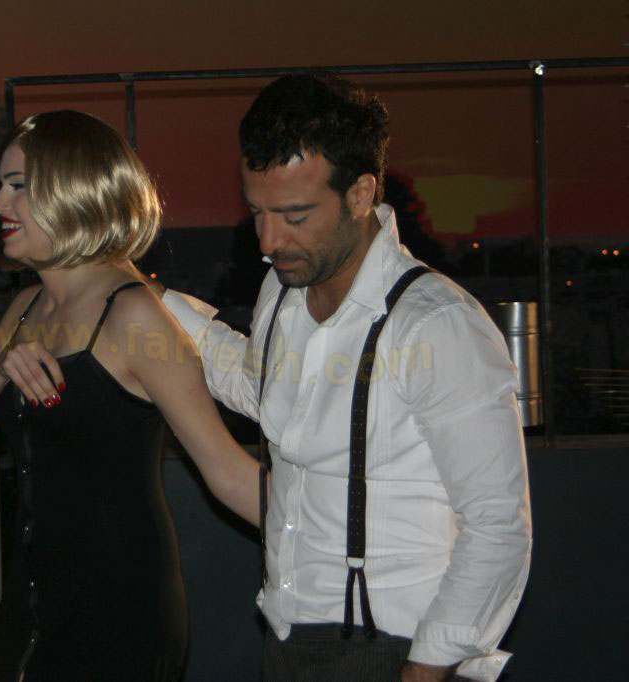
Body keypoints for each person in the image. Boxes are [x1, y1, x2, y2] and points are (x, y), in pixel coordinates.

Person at [160, 74, 532, 681]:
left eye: (295, 215)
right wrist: (151, 303)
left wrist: (427, 668)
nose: (269, 240)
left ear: (360, 195)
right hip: (287, 637)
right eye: (257, 213)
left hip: (395, 650)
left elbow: (497, 524)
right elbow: (258, 386)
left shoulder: (436, 324)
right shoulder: (282, 291)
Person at [0, 109, 261, 682]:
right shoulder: (24, 309)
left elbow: (226, 471)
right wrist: (0, 369)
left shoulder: (133, 314)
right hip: (32, 605)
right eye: (1, 185)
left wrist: (356, 543)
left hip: (121, 612)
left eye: (17, 186)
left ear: (72, 191)